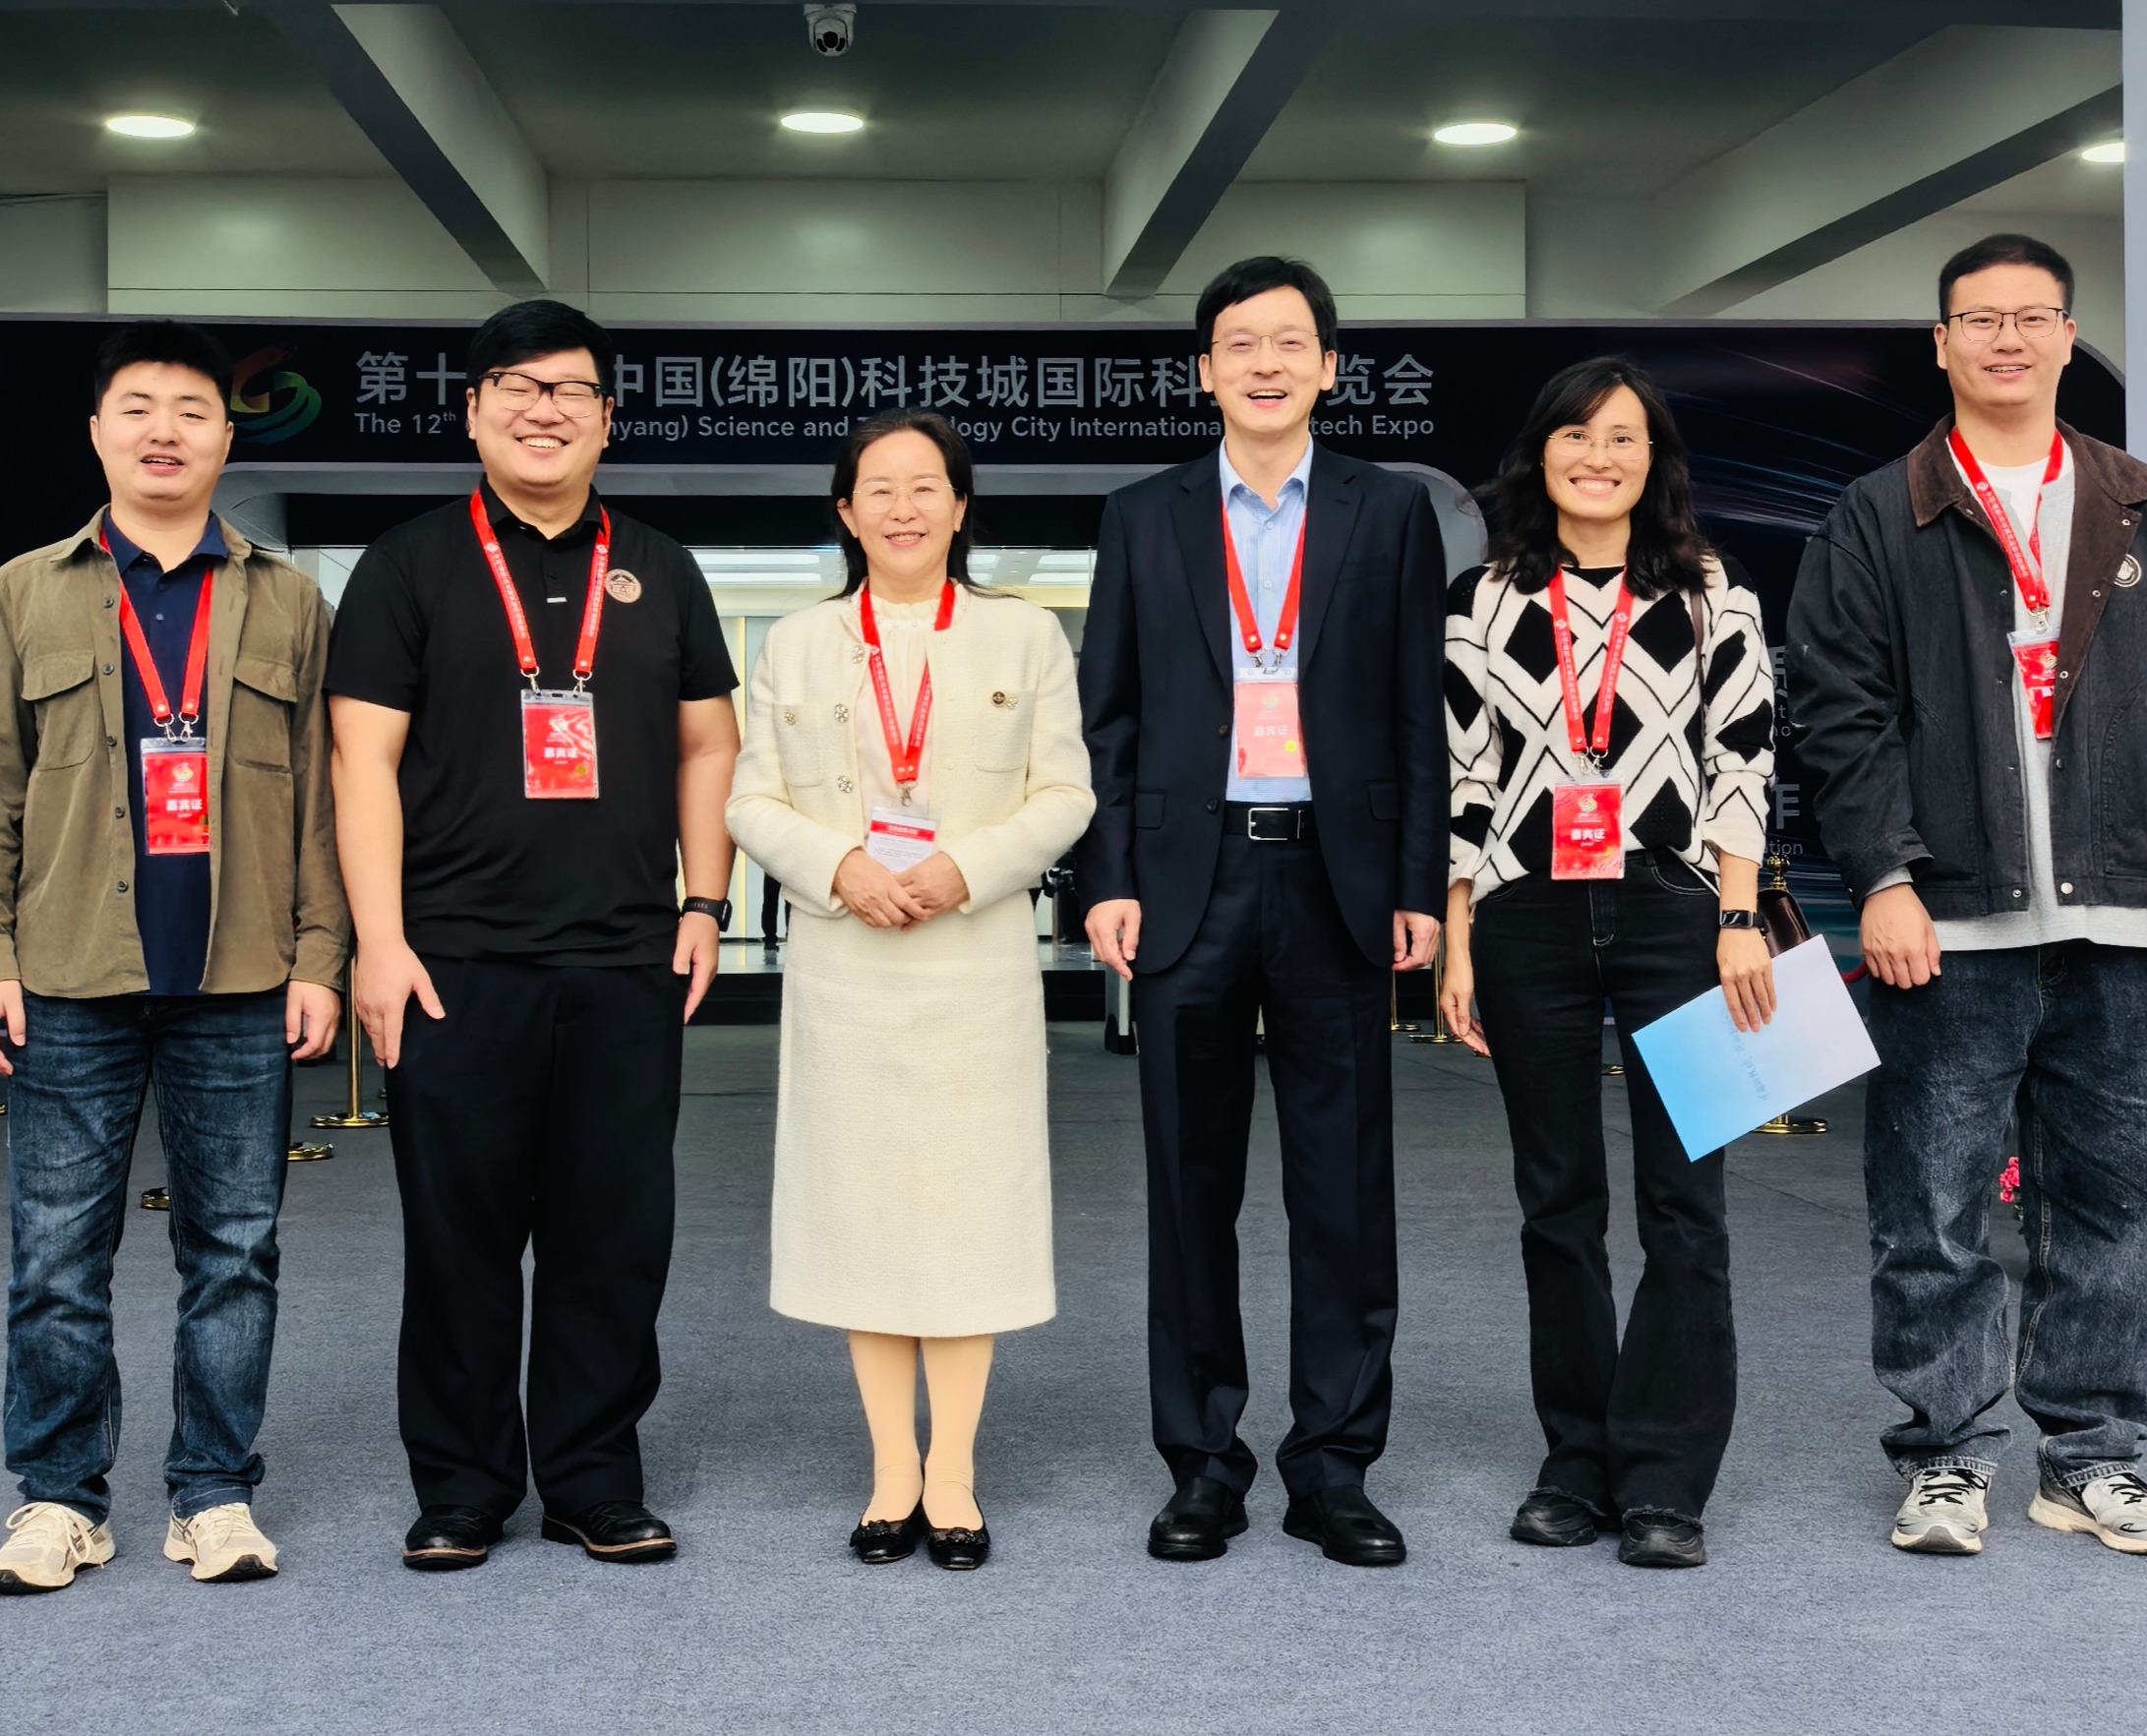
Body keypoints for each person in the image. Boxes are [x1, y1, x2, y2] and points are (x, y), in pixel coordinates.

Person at [1787, 233, 2147, 1557]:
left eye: (2030, 316)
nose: (2005, 338)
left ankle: (2088, 1457)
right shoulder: (1877, 514)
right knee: (1928, 1205)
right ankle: (1942, 1453)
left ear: (2063, 337)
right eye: (1977, 319)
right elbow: (1838, 714)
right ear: (1938, 344)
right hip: (1946, 921)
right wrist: (1880, 878)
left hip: (2115, 919)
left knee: (2111, 1201)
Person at [328, 300, 740, 1571]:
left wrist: (704, 902)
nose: (542, 408)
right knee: (456, 1238)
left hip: (623, 962)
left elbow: (708, 742)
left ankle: (591, 1478)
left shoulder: (659, 567)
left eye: (569, 389)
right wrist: (379, 941)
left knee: (611, 1236)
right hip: (451, 964)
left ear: (607, 417)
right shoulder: (407, 565)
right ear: (472, 410)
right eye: (515, 385)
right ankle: (461, 1486)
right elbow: (359, 759)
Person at [0, 320, 349, 1593]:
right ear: (97, 432)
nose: (163, 430)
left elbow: (323, 798)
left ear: (227, 438)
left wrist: (320, 955)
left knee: (234, 1251)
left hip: (240, 978)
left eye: (190, 410)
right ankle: (59, 1498)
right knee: (56, 1255)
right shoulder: (25, 591)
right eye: (137, 407)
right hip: (68, 976)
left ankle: (213, 1493)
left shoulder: (288, 600)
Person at [1078, 257, 1449, 1567]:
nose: (1264, 363)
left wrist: (1417, 885)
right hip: (1188, 877)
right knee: (1189, 1187)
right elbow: (1108, 717)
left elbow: (1416, 708)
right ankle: (1201, 1463)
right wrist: (1107, 874)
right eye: (1239, 343)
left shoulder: (1387, 510)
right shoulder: (1143, 515)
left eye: (1289, 341)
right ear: (1203, 370)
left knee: (1342, 1188)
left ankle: (1332, 1464)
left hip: (1336, 880)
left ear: (1328, 367)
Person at [726, 410, 1094, 1572]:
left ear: (959, 505)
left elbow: (1065, 793)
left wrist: (964, 868)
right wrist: (838, 865)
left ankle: (954, 1471)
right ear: (844, 511)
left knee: (966, 1219)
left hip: (971, 965)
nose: (901, 507)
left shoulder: (1021, 636)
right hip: (847, 969)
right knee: (865, 1218)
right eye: (876, 487)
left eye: (924, 485)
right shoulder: (797, 643)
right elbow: (749, 799)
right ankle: (891, 1468)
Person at [1437, 358, 1777, 1570]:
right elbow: (1465, 776)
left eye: (1622, 437)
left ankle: (1665, 1479)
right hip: (1524, 915)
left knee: (1686, 1205)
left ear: (1653, 459)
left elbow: (1741, 759)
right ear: (1539, 453)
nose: (1597, 456)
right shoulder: (1482, 600)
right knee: (1556, 1202)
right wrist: (1458, 937)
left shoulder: (1710, 591)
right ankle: (1574, 1462)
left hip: (1675, 912)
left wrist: (1737, 915)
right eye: (1575, 435)